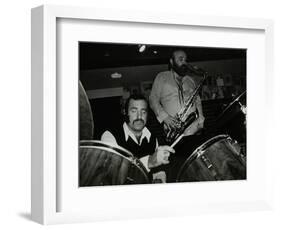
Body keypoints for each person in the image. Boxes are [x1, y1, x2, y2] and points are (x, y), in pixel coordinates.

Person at [101, 94, 175, 182]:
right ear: (125, 112)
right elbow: (112, 174)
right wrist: (149, 162)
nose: (139, 117)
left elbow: (156, 170)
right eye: (134, 111)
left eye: (143, 112)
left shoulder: (153, 138)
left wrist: (159, 174)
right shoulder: (110, 136)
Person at [149, 49, 205, 139]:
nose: (184, 63)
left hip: (194, 130)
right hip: (174, 132)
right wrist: (165, 117)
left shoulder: (190, 80)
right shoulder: (162, 77)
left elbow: (197, 99)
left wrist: (201, 117)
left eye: (185, 60)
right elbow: (153, 99)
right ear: (172, 61)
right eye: (181, 59)